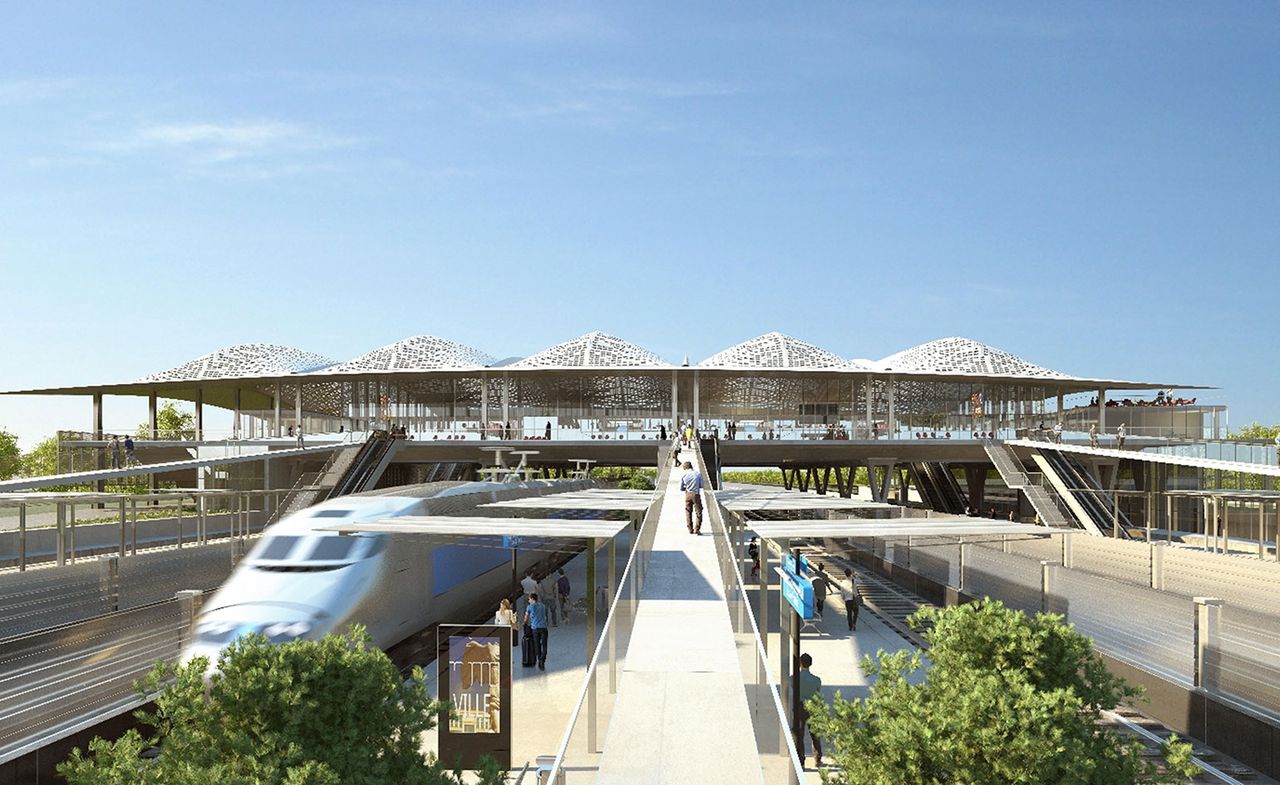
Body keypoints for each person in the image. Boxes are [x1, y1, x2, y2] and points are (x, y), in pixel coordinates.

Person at [796, 653, 823, 769]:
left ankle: (801, 761)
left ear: (800, 664)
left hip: (800, 707)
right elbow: (818, 693)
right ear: (810, 664)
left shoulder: (795, 679)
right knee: (815, 734)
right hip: (813, 706)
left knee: (799, 735)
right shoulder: (817, 680)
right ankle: (817, 758)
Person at [525, 592, 550, 671]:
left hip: (535, 628)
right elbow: (545, 615)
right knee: (544, 645)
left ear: (532, 599)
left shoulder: (529, 607)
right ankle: (543, 659)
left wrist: (524, 624)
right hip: (543, 628)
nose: (528, 600)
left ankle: (540, 660)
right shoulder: (542, 606)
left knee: (537, 645)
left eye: (529, 599)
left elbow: (526, 618)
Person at [680, 460, 704, 534]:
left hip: (687, 494)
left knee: (688, 511)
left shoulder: (684, 475)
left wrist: (686, 487)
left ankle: (690, 529)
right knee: (699, 512)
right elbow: (701, 485)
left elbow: (681, 488)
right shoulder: (698, 474)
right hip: (695, 494)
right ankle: (697, 529)